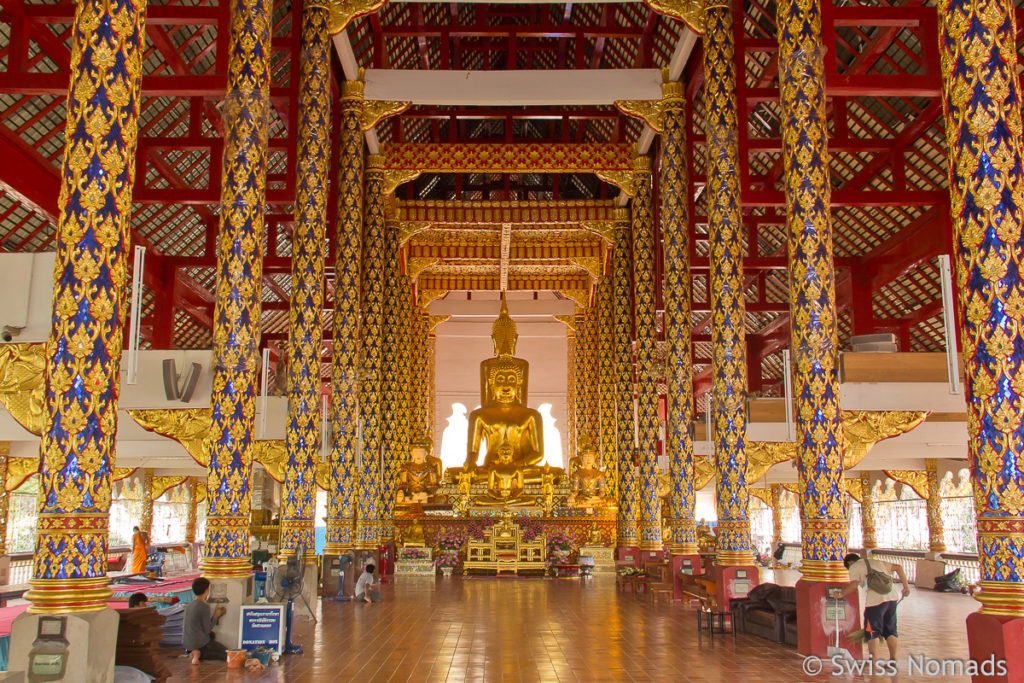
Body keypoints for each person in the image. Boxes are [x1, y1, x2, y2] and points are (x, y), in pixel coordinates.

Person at [831, 553, 911, 661]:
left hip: (875, 602)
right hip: (892, 598)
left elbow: (853, 585)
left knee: (873, 632)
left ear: (850, 563)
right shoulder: (877, 562)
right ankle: (893, 659)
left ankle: (873, 660)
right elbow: (899, 567)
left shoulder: (854, 567)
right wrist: (906, 587)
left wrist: (841, 594)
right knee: (891, 630)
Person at [183, 577, 227, 664]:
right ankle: (197, 654)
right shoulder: (203, 607)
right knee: (226, 654)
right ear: (207, 590)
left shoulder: (189, 605)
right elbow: (207, 629)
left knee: (212, 636)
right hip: (201, 644)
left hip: (187, 643)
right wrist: (216, 616)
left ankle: (192, 652)